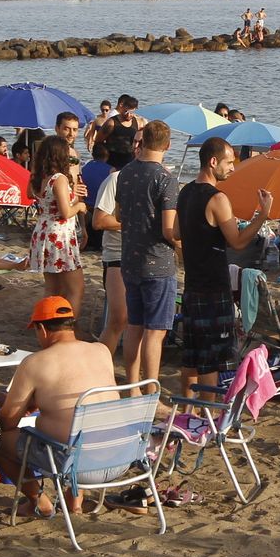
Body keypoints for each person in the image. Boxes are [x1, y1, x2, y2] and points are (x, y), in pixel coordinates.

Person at [0, 296, 120, 518]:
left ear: (41, 329)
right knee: (83, 424)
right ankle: (74, 499)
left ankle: (39, 502)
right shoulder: (101, 351)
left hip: (77, 465)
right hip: (119, 456)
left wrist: (14, 406)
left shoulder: (36, 362)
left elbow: (7, 422)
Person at [175, 138, 273, 398]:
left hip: (193, 284)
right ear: (213, 161)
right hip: (213, 287)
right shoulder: (217, 198)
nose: (233, 167)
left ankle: (187, 410)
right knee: (211, 358)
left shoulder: (185, 191)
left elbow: (175, 231)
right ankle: (207, 413)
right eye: (229, 162)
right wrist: (262, 215)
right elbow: (238, 242)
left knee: (191, 357)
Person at [115, 120, 179, 395]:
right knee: (156, 331)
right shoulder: (165, 179)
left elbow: (118, 215)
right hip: (158, 262)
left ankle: (132, 384)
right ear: (167, 145)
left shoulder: (126, 173)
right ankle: (151, 387)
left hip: (130, 258)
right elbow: (168, 229)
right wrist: (181, 239)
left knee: (135, 325)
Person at [89, 136, 135, 369]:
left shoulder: (147, 178)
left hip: (141, 256)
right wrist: (132, 223)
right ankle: (99, 367)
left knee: (137, 323)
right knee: (119, 319)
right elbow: (99, 221)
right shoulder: (115, 180)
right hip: (116, 256)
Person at [28, 134, 86, 315]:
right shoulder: (59, 178)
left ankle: (46, 322)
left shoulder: (38, 176)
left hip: (43, 231)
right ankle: (70, 328)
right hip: (59, 236)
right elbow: (65, 212)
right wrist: (80, 206)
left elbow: (31, 195)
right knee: (76, 288)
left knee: (52, 288)